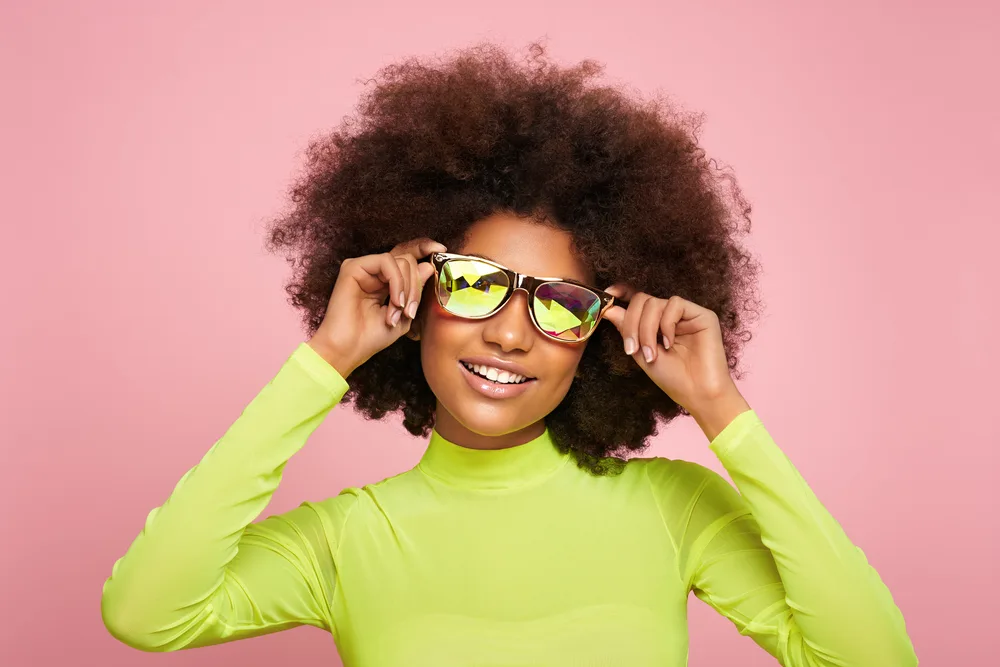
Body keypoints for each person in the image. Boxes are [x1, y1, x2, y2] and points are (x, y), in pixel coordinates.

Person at [100, 41, 917, 666]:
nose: (511, 332)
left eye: (561, 303)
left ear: (597, 335)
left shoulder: (675, 508)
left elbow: (873, 656)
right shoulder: (349, 539)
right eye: (477, 284)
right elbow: (144, 611)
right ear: (417, 303)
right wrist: (328, 355)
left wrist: (720, 408)